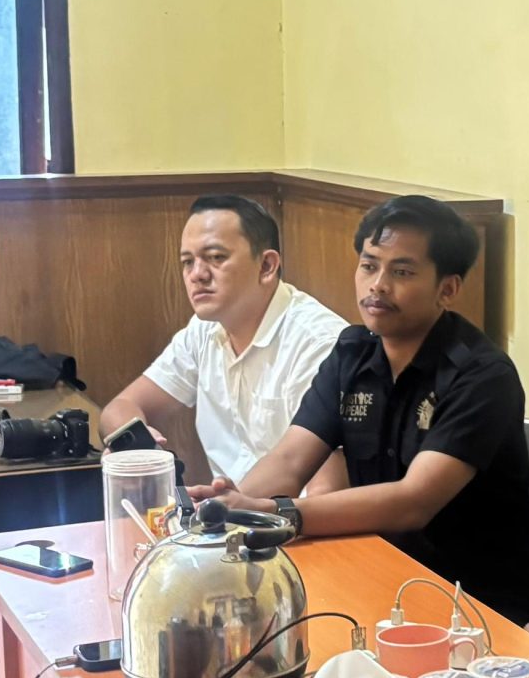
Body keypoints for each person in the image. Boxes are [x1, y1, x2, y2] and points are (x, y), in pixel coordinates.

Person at [212, 195, 529, 624]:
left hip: (483, 607)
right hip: (382, 579)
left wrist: (280, 514)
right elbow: (289, 460)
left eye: (402, 272)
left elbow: (413, 502)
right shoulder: (351, 355)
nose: (377, 285)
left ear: (447, 289)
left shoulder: (482, 375)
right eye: (369, 265)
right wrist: (233, 514)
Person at [98, 194, 349, 484]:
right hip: (228, 509)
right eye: (187, 262)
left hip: (291, 512)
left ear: (266, 266)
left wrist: (228, 506)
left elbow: (326, 491)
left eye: (216, 258)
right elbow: (120, 407)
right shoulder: (203, 330)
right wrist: (137, 446)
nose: (197, 275)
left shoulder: (319, 344)